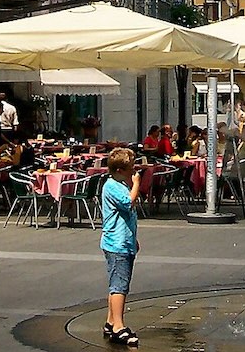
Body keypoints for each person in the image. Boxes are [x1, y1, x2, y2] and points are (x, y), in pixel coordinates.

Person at [100, 147, 141, 347]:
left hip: (123, 241)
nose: (132, 172)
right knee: (120, 286)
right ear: (118, 170)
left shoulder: (118, 185)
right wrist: (137, 185)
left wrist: (134, 239)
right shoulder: (113, 187)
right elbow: (129, 203)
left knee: (117, 281)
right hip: (117, 243)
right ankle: (119, 327)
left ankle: (110, 321)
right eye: (129, 169)